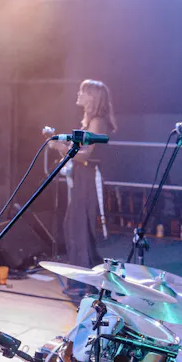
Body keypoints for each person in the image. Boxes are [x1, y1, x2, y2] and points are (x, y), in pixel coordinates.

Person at [54, 79, 116, 298]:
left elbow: (86, 156)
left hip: (90, 178)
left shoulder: (98, 121)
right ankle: (84, 280)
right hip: (83, 178)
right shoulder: (91, 121)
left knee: (81, 228)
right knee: (74, 226)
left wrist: (61, 148)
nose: (78, 94)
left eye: (83, 91)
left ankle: (88, 282)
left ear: (92, 97)